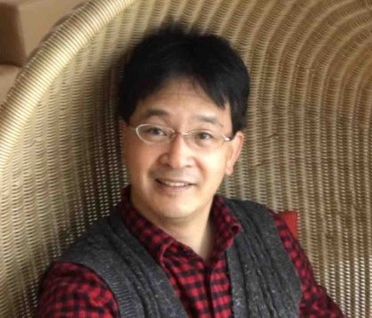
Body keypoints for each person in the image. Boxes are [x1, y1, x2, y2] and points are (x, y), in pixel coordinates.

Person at [38, 26, 344, 317]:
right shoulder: (84, 289)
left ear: (232, 152)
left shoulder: (270, 233)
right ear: (125, 139)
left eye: (203, 135)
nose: (177, 158)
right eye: (156, 131)